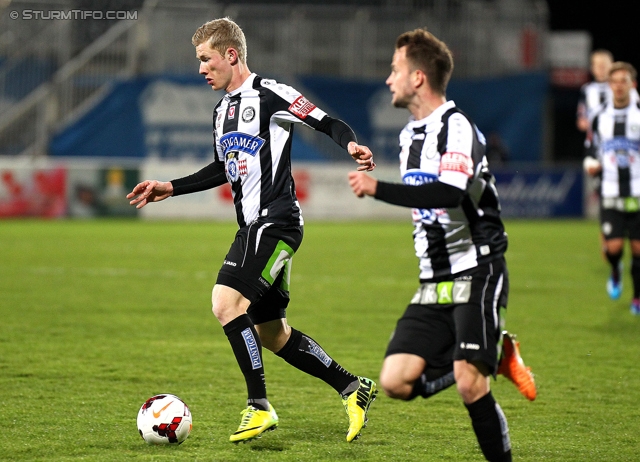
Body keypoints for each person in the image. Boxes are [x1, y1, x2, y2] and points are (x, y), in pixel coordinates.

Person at [127, 17, 378, 443]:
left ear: (231, 54)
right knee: (273, 334)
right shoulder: (221, 110)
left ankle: (258, 406)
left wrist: (350, 144)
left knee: (225, 303)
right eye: (198, 61)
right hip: (255, 226)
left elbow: (327, 122)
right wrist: (170, 187)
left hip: (275, 221)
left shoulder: (271, 94)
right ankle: (354, 388)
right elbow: (221, 169)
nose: (201, 69)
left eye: (206, 59)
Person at [348, 28, 536, 461]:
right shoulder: (409, 136)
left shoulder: (456, 127)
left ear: (417, 77)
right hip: (434, 279)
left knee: (471, 383)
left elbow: (450, 193)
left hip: (478, 266)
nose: (388, 79)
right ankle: (494, 350)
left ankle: (484, 360)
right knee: (395, 381)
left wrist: (379, 189)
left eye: (395, 70)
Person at [583, 62, 640, 315]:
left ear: (632, 84)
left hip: (638, 191)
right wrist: (590, 162)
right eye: (614, 81)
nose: (618, 86)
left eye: (623, 81)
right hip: (610, 189)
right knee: (614, 248)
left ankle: (637, 297)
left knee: (638, 248)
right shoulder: (599, 117)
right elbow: (591, 147)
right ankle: (615, 269)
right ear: (609, 86)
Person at [576, 50, 615, 133]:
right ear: (592, 68)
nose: (601, 69)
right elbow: (581, 119)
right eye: (598, 66)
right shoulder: (587, 90)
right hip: (594, 141)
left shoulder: (621, 88)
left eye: (604, 65)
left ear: (612, 65)